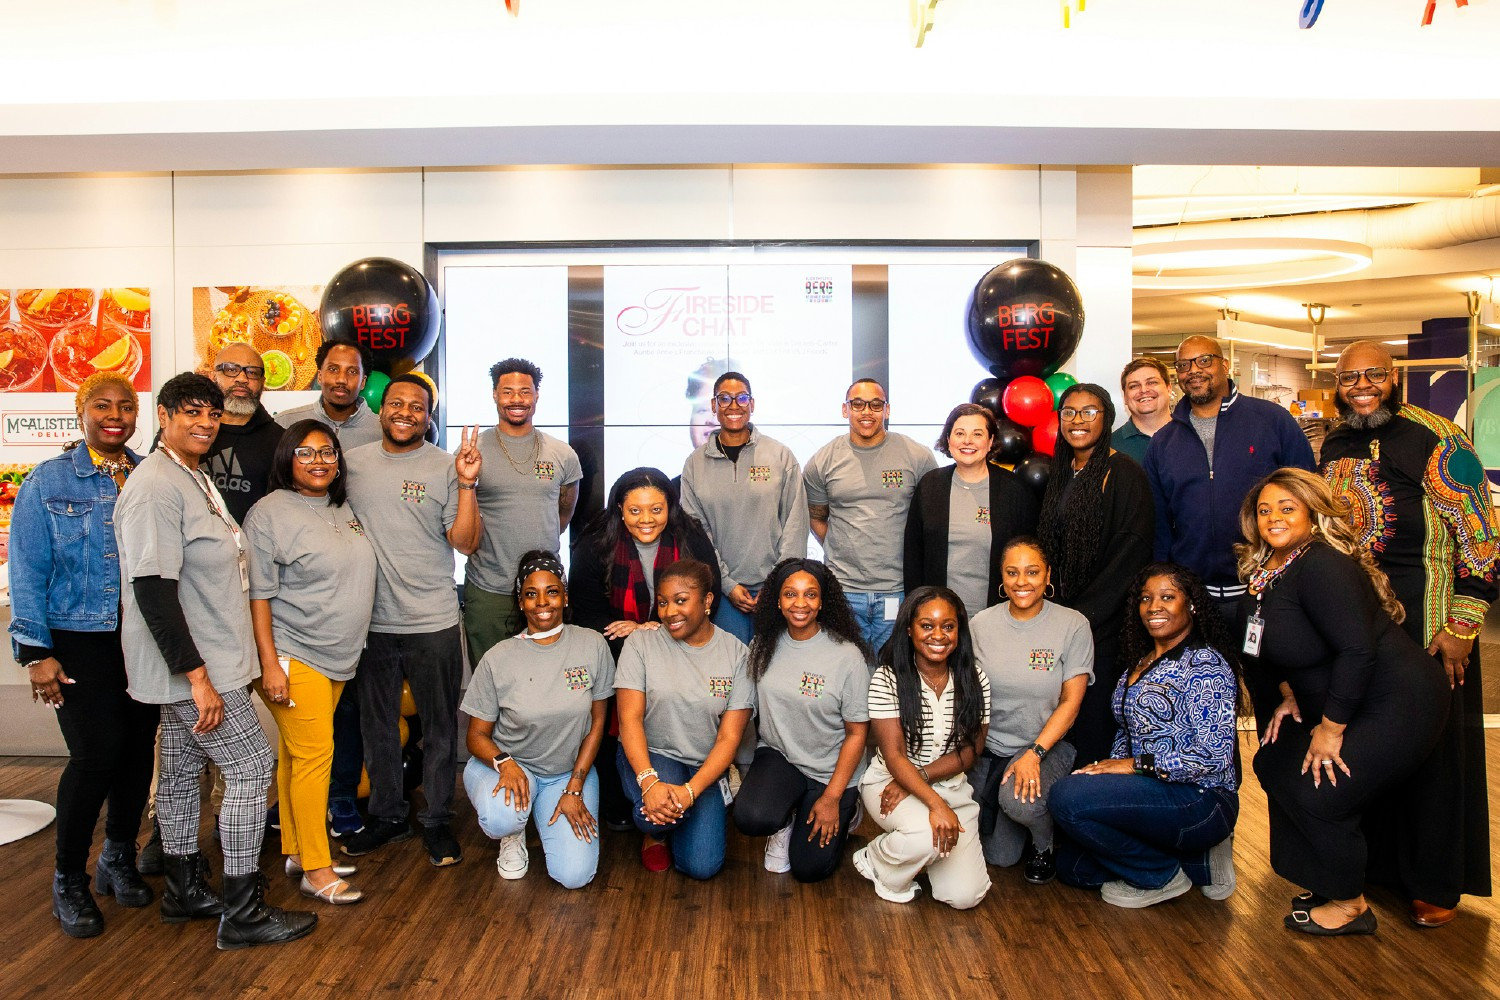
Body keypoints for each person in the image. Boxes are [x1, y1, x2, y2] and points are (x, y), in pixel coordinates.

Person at [116, 372, 316, 950]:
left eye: (211, 413)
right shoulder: (156, 486)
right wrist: (198, 677)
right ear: (163, 415)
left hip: (207, 662)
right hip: (196, 669)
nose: (204, 422)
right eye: (190, 413)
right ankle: (243, 910)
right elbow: (153, 588)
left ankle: (183, 891)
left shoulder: (191, 476)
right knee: (252, 768)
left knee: (179, 774)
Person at [1320, 340, 1495, 927]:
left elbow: (1480, 531)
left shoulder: (1437, 437)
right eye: (1350, 377)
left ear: (1394, 377)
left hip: (1428, 618)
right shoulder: (1336, 439)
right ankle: (1376, 868)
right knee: (1369, 742)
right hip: (1359, 619)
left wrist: (1464, 624)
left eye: (1373, 375)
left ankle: (1434, 882)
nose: (1361, 385)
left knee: (1432, 746)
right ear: (1337, 382)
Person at [1235, 468, 1450, 936]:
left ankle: (1352, 905)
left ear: (1313, 515)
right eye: (1264, 509)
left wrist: (1330, 729)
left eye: (1287, 508)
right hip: (1341, 696)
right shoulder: (1267, 569)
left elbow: (1357, 650)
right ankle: (1326, 879)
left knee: (1320, 788)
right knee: (1276, 762)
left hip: (1397, 698)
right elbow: (1280, 641)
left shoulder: (1322, 564)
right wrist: (1290, 695)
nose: (1273, 517)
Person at [9, 373, 157, 938]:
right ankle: (67, 877)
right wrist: (36, 652)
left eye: (125, 405)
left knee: (136, 750)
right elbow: (26, 572)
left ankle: (117, 855)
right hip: (76, 638)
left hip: (141, 639)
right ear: (81, 412)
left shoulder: (150, 474)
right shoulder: (47, 481)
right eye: (102, 405)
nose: (114, 415)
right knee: (96, 754)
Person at [339, 375, 483, 868]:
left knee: (442, 728)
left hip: (433, 620)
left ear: (428, 416)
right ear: (381, 410)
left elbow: (465, 542)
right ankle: (387, 815)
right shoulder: (351, 465)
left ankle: (438, 819)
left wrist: (466, 484)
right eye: (396, 403)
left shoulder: (446, 467)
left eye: (417, 406)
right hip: (370, 624)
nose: (405, 412)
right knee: (376, 726)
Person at [1048, 563, 1239, 909]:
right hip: (1152, 794)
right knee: (1073, 866)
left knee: (1066, 797)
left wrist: (1135, 767)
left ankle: (1161, 875)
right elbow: (1127, 732)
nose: (1154, 607)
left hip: (1201, 798)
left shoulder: (1206, 666)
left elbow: (1214, 756)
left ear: (1191, 604)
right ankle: (1198, 863)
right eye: (1146, 599)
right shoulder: (1139, 663)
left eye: (1168, 597)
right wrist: (1106, 770)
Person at [243, 420, 376, 906]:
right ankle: (317, 870)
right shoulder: (268, 514)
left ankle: (297, 849)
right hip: (293, 653)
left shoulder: (341, 506)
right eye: (306, 452)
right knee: (316, 759)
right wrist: (270, 664)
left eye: (328, 452)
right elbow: (258, 596)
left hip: (337, 655)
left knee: (297, 757)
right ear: (286, 460)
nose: (319, 461)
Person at [568, 467, 721, 827]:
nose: (646, 519)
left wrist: (655, 627)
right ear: (619, 509)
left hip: (682, 648)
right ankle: (619, 795)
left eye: (656, 509)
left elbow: (704, 603)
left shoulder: (691, 540)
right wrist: (640, 633)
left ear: (670, 507)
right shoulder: (594, 546)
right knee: (610, 711)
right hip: (615, 649)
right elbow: (588, 618)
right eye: (635, 510)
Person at [460, 551, 612, 889]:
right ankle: (513, 834)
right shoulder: (498, 658)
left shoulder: (592, 645)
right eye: (531, 593)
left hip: (566, 773)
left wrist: (574, 788)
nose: (542, 602)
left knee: (575, 876)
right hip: (513, 768)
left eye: (552, 591)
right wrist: (504, 762)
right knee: (502, 817)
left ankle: (543, 820)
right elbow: (476, 737)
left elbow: (597, 724)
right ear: (521, 600)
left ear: (565, 595)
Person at [1145, 336, 1315, 615]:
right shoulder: (1164, 441)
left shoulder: (1272, 420)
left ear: (1225, 365)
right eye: (1184, 365)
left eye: (1204, 360)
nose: (1194, 370)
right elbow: (1159, 523)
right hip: (1193, 594)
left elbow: (1308, 497)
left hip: (1267, 586)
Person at [1035, 384, 1153, 764]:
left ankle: (1087, 804)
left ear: (1107, 418)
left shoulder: (1123, 473)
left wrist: (1083, 614)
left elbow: (1129, 553)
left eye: (1089, 412)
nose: (1077, 421)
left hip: (1103, 625)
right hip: (1063, 616)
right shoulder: (1062, 472)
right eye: (1068, 412)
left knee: (1092, 722)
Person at [852, 586, 991, 909]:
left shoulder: (975, 678)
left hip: (947, 786)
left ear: (959, 630)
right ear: (910, 630)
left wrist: (921, 778)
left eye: (948, 626)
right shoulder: (887, 679)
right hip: (889, 785)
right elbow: (894, 756)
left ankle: (921, 853)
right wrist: (934, 804)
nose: (938, 635)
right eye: (927, 625)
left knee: (965, 896)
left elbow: (972, 750)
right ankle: (878, 859)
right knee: (927, 835)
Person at [733, 558, 870, 882]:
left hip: (832, 771)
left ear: (822, 602)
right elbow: (739, 715)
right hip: (781, 757)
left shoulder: (847, 656)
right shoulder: (762, 647)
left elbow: (856, 734)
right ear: (777, 601)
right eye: (790, 594)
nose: (800, 603)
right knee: (751, 817)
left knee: (809, 869)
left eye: (810, 595)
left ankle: (849, 811)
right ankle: (785, 818)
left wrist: (833, 798)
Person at [615, 558, 752, 879]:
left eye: (680, 600)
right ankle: (657, 832)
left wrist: (691, 792)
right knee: (655, 815)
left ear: (707, 601)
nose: (669, 612)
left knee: (702, 867)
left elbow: (729, 738)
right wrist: (649, 782)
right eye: (662, 603)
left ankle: (691, 812)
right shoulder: (641, 643)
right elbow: (629, 720)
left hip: (705, 765)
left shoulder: (737, 655)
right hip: (652, 754)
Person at [968, 538, 1092, 886]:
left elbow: (1071, 702)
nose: (1022, 581)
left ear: (1047, 575)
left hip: (1043, 745)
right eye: (1012, 572)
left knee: (1019, 805)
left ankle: (1044, 843)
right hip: (989, 749)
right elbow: (970, 694)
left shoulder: (1073, 624)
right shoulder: (981, 623)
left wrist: (1035, 754)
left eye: (1032, 572)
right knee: (999, 857)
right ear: (1002, 578)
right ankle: (1011, 811)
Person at [463, 358, 583, 663]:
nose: (516, 400)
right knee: (490, 681)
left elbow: (564, 511)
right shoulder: (473, 452)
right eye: (507, 392)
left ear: (537, 396)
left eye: (525, 392)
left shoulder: (562, 454)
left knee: (545, 676)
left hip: (545, 591)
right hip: (490, 590)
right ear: (494, 394)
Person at [804, 379, 938, 651]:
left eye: (876, 405)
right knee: (846, 668)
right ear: (845, 409)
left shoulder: (917, 457)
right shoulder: (822, 461)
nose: (867, 411)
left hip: (897, 589)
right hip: (843, 588)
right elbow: (817, 517)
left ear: (887, 410)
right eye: (858, 404)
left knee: (891, 670)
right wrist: (841, 547)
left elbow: (929, 521)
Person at [680, 371, 809, 644]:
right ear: (714, 406)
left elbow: (795, 524)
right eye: (724, 399)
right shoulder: (694, 464)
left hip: (775, 589)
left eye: (741, 397)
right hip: (724, 592)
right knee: (730, 675)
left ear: (752, 404)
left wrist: (778, 582)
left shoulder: (780, 456)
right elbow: (697, 534)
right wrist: (726, 584)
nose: (734, 405)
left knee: (772, 672)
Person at [904, 402, 1038, 619]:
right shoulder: (930, 486)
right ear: (948, 439)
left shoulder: (1014, 490)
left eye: (977, 434)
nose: (968, 441)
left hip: (998, 615)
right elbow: (913, 554)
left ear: (991, 440)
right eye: (959, 433)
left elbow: (1030, 555)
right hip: (940, 617)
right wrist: (916, 610)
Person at [200, 342, 285, 524]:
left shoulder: (280, 442)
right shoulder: (191, 432)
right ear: (212, 376)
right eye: (231, 369)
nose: (242, 378)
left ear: (263, 382)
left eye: (252, 372)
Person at [274, 340, 382, 449]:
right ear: (320, 376)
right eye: (333, 369)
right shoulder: (284, 423)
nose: (341, 379)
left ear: (363, 382)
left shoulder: (381, 431)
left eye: (352, 372)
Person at [1112, 357, 1173, 465]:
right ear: (1125, 397)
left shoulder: (1193, 436)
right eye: (1134, 386)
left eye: (1152, 382)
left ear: (1169, 388)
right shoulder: (1110, 447)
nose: (1144, 390)